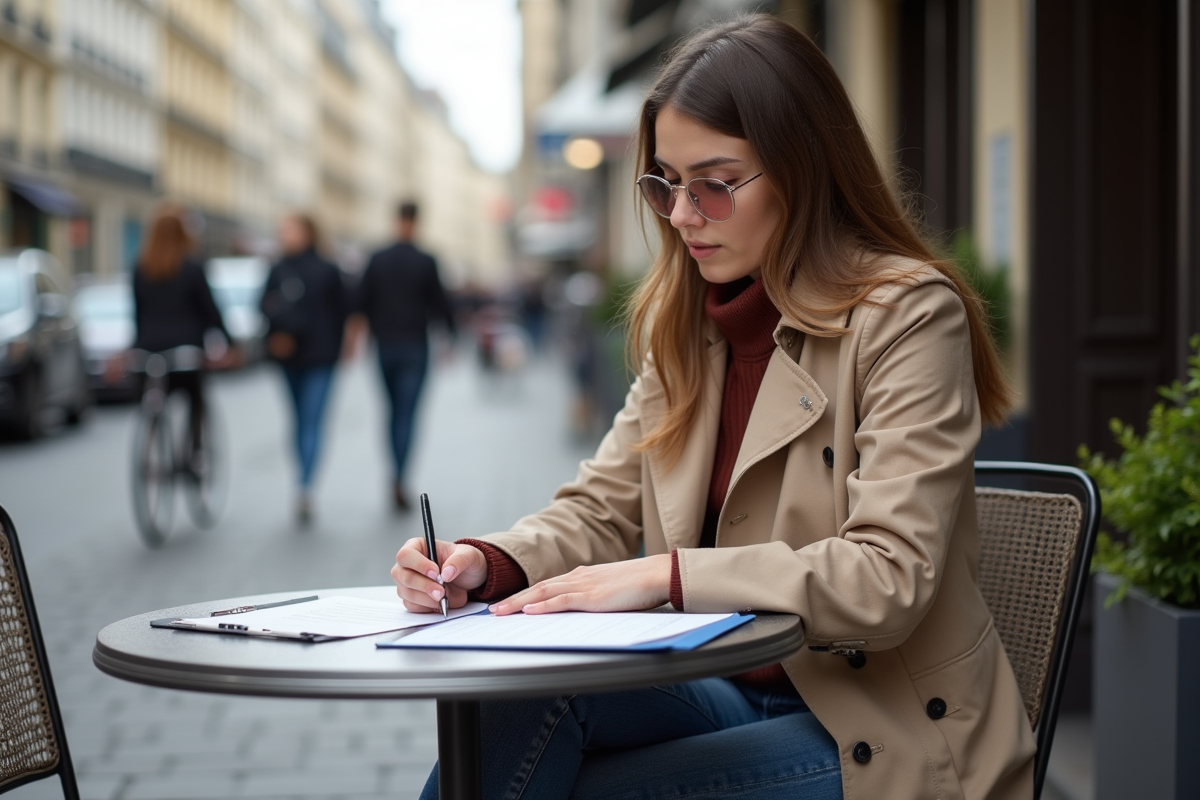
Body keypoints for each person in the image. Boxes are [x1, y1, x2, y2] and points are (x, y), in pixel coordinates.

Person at [391, 14, 1031, 800]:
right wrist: (486, 562)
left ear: (803, 170)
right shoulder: (691, 324)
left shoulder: (905, 315)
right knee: (504, 702)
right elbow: (601, 507)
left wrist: (664, 577)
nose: (683, 215)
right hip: (724, 683)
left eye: (715, 186)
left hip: (876, 721)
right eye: (664, 183)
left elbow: (887, 577)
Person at [353, 201, 456, 512]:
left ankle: (395, 474)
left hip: (384, 345)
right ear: (417, 222)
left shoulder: (377, 258)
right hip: (414, 346)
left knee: (392, 411)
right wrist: (450, 338)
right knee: (407, 414)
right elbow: (440, 303)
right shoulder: (425, 260)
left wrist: (355, 337)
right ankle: (400, 475)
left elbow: (360, 301)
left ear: (396, 219)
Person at [259, 213, 348, 524]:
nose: (286, 235)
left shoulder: (327, 268)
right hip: (289, 358)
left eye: (292, 230)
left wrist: (342, 348)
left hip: (320, 359)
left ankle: (304, 487)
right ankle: (303, 479)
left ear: (308, 232)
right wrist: (276, 335)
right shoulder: (277, 269)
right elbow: (263, 307)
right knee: (298, 421)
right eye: (283, 230)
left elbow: (342, 313)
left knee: (311, 420)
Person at [129, 203, 232, 452]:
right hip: (185, 351)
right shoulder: (193, 267)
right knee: (196, 400)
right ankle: (194, 450)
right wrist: (229, 342)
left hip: (149, 350)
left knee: (153, 396)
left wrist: (135, 347)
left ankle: (153, 444)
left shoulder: (140, 269)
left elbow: (138, 314)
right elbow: (210, 311)